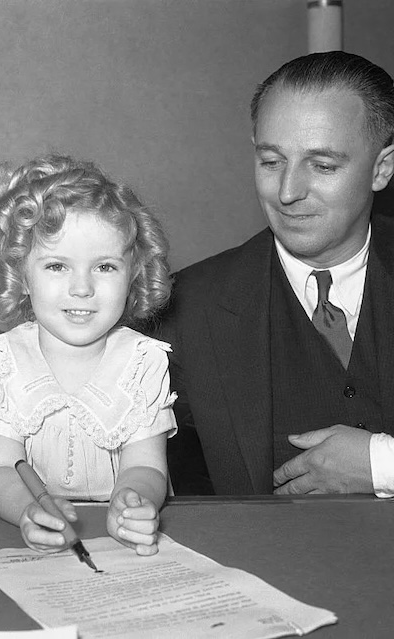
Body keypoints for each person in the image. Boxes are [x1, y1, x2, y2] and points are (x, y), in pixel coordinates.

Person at [156, 50, 394, 497]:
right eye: (270, 161)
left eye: (322, 166)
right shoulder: (187, 307)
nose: (287, 192)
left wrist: (382, 464)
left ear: (382, 168)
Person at [0, 155, 176, 555]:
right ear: (21, 275)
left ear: (134, 274)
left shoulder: (143, 362)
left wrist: (134, 502)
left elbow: (145, 465)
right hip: (29, 536)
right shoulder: (3, 359)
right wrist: (28, 510)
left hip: (121, 542)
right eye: (57, 266)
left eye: (104, 266)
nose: (82, 288)